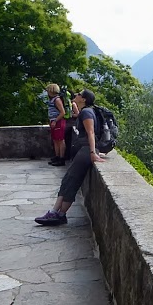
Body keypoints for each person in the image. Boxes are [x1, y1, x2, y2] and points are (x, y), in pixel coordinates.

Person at [36, 89, 103, 226]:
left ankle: (58, 214)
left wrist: (92, 152)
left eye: (79, 94)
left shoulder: (86, 112)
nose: (76, 95)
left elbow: (90, 133)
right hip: (84, 150)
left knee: (71, 180)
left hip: (85, 151)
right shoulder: (85, 112)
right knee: (68, 180)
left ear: (84, 99)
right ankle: (56, 212)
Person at [43, 84, 69, 166]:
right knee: (55, 140)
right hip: (54, 121)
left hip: (58, 121)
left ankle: (61, 158)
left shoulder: (57, 100)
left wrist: (55, 121)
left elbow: (62, 112)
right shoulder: (52, 100)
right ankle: (57, 156)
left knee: (60, 140)